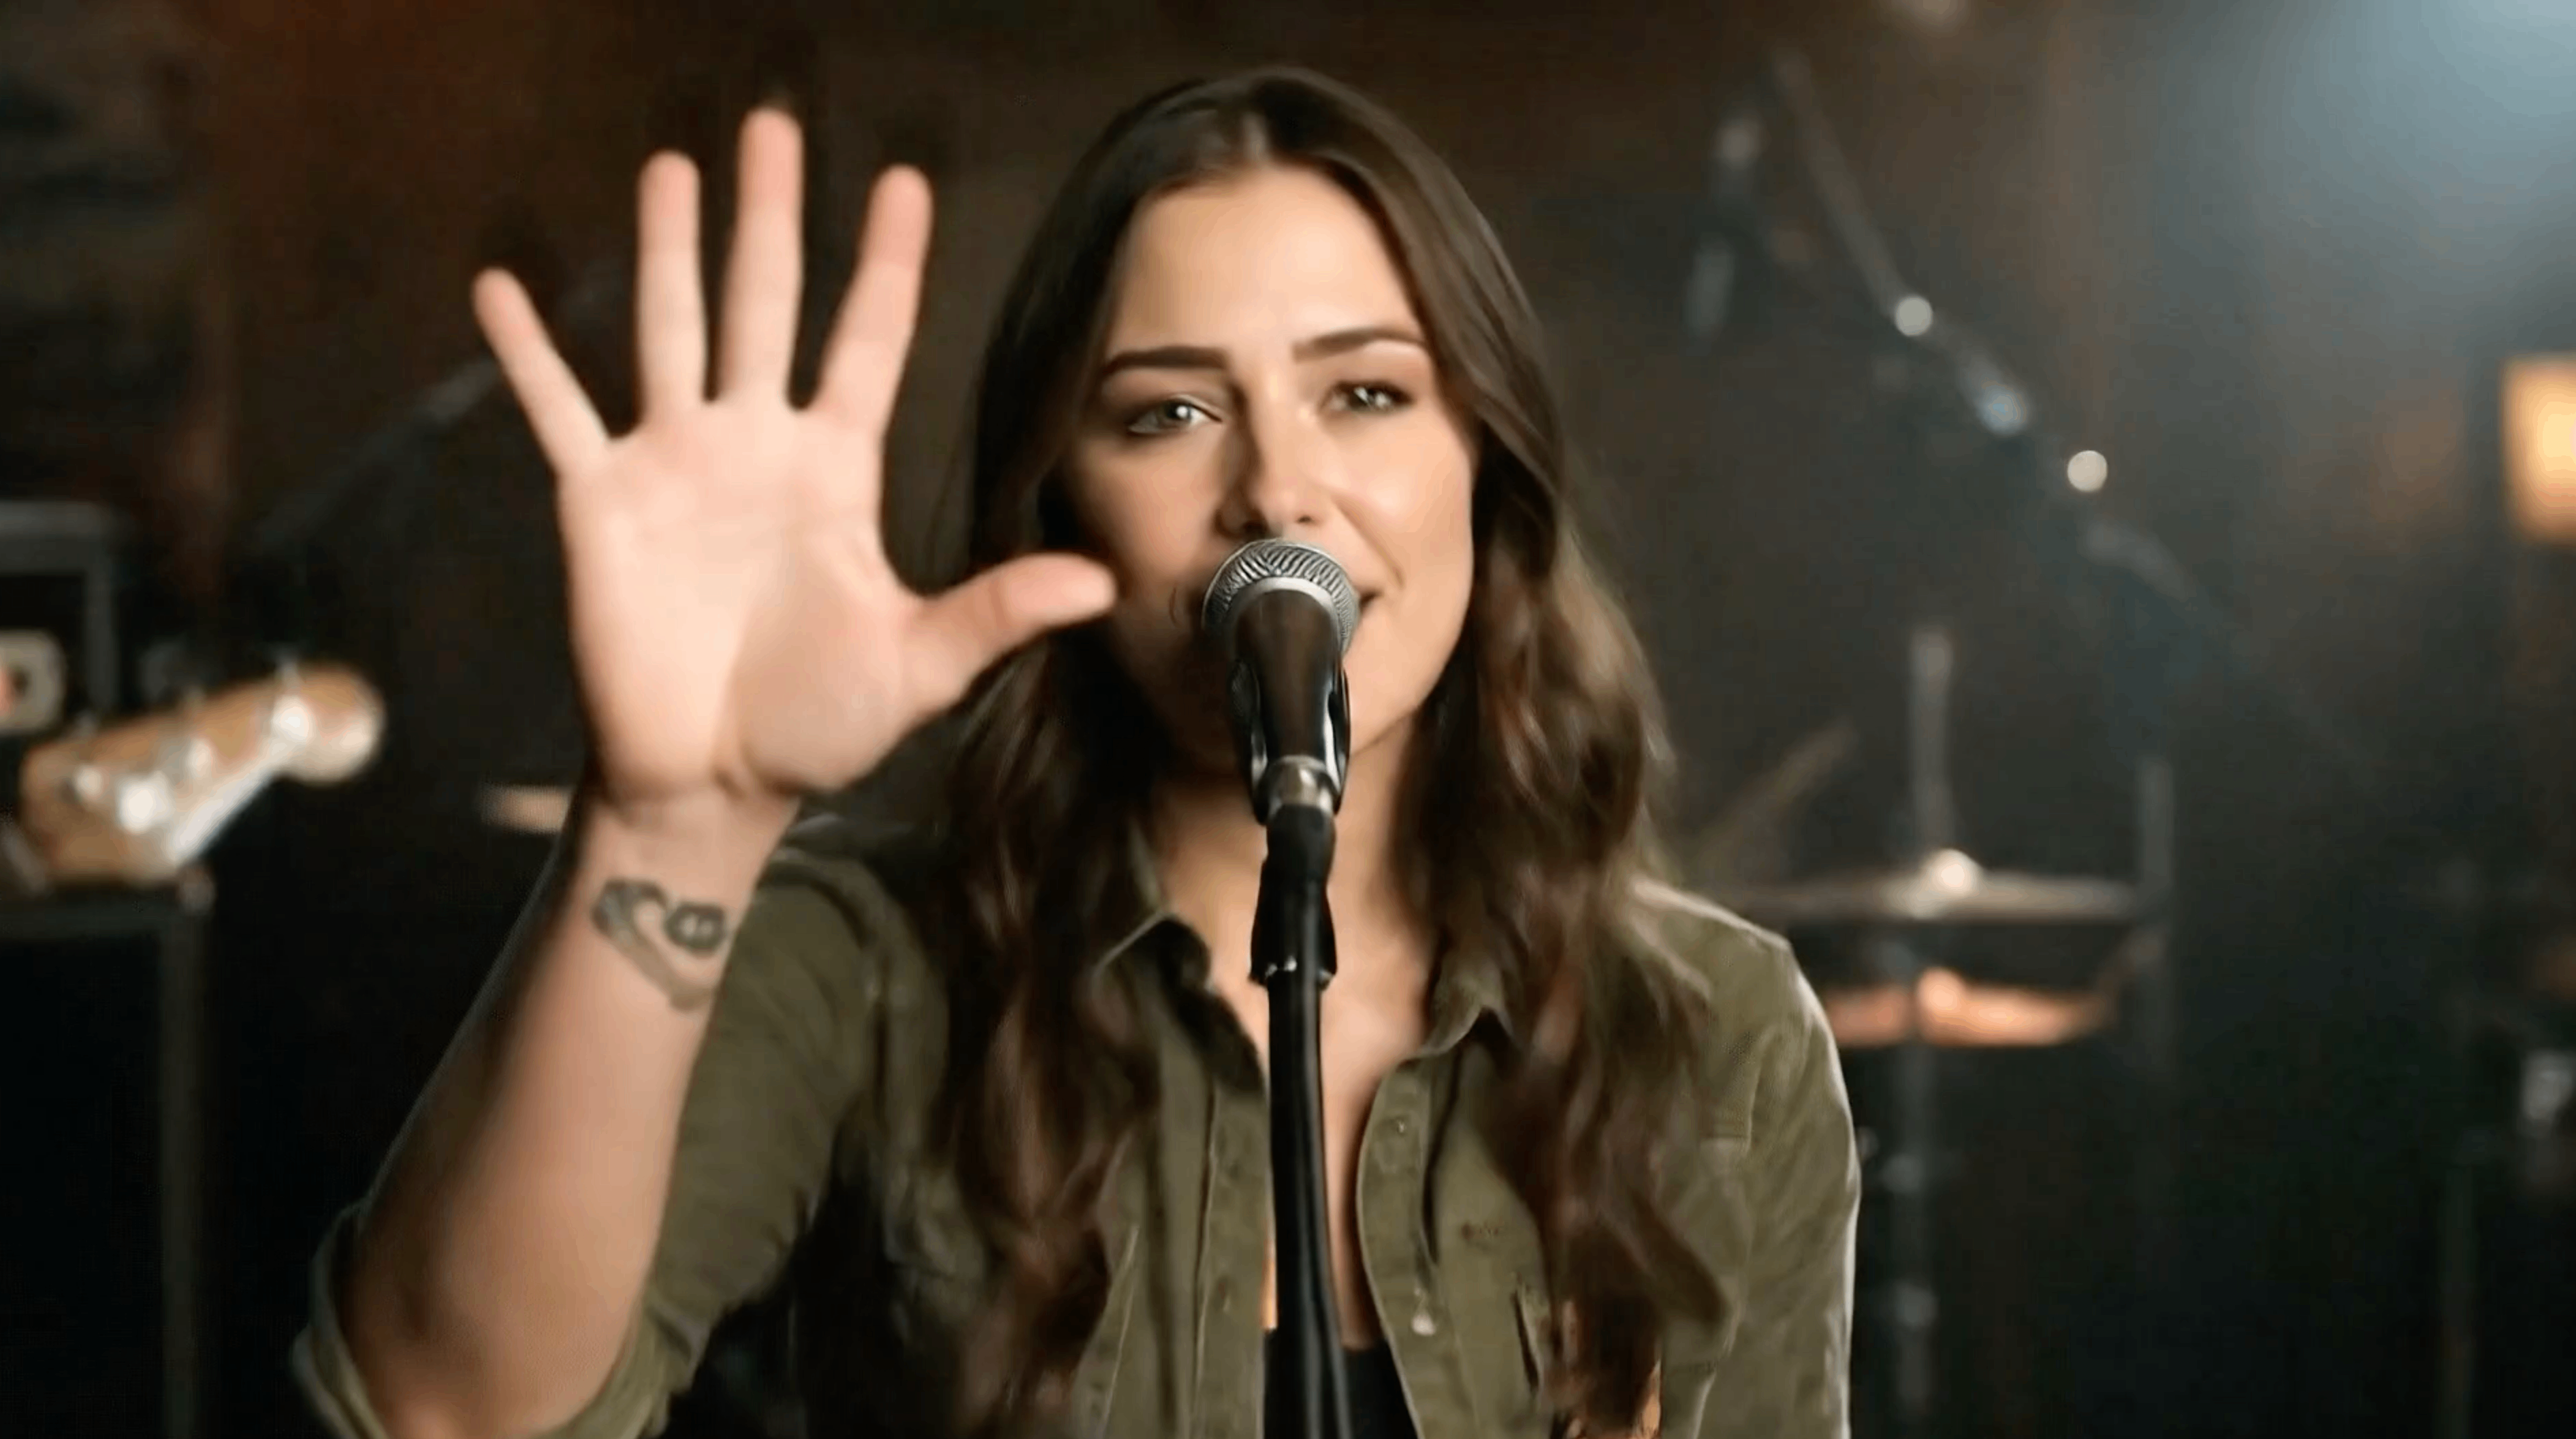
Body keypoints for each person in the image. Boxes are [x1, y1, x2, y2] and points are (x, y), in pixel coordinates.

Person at [295, 68, 1858, 1439]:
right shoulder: (867, 967)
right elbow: (448, 1414)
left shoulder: (1719, 1039)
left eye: (1365, 393)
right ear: (1061, 504)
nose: (1277, 489)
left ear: (1484, 464)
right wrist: (671, 825)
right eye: (1167, 414)